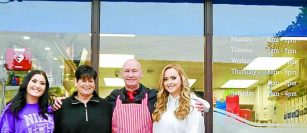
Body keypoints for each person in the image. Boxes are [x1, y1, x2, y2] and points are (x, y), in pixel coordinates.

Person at [54, 59, 209, 133]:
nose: (130, 74)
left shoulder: (154, 95)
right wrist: (65, 101)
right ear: (122, 75)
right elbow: (91, 100)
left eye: (134, 71)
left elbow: (178, 94)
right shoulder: (113, 98)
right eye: (127, 71)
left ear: (141, 74)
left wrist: (205, 104)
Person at [53, 64, 112, 133]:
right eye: (83, 81)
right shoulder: (61, 105)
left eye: (90, 81)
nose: (87, 84)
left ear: (94, 83)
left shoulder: (106, 106)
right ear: (76, 82)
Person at [152, 63, 204, 133]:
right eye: (165, 79)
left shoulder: (193, 105)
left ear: (182, 79)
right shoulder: (161, 104)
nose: (169, 82)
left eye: (173, 78)